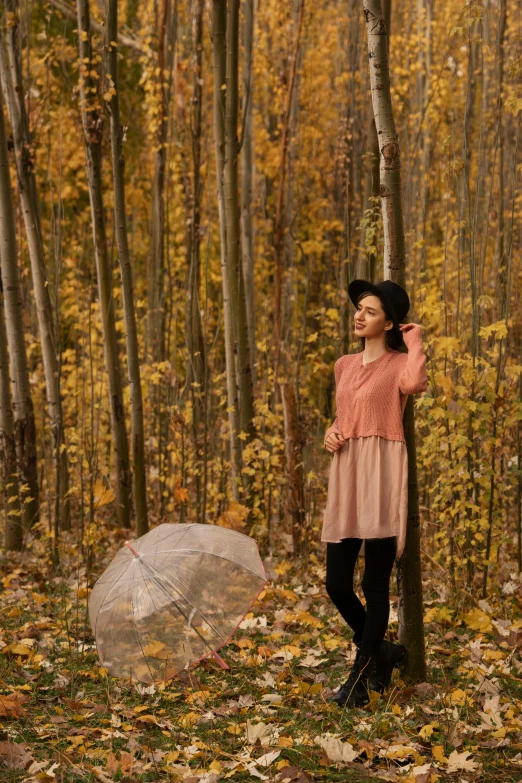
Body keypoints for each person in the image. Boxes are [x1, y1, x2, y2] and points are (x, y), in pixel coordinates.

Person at [322, 279, 428, 708]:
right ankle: (383, 652)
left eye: (370, 311)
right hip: (347, 471)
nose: (359, 315)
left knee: (374, 582)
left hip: (381, 474)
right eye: (359, 308)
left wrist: (415, 338)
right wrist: (331, 432)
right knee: (336, 584)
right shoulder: (343, 365)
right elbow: (343, 416)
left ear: (388, 322)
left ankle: (360, 677)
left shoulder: (398, 364)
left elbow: (417, 382)